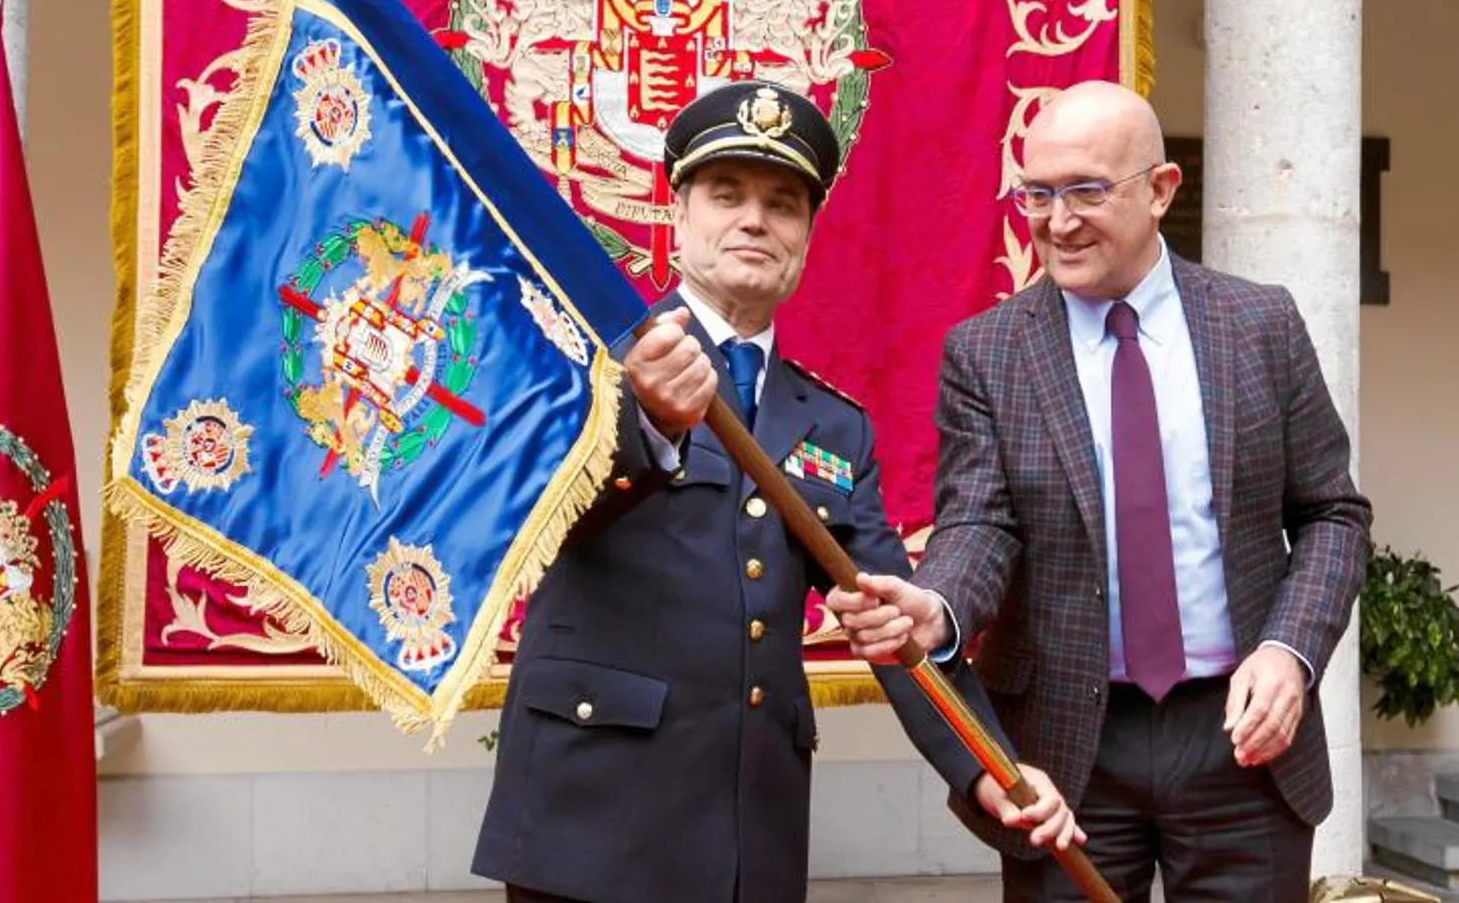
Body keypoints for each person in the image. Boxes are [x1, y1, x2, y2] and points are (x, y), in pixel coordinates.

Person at [472, 81, 1080, 903]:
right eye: (727, 195)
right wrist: (647, 419)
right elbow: (527, 513)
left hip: (746, 834)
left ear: (805, 236)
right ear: (679, 216)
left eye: (783, 203)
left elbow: (885, 619)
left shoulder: (832, 424)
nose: (755, 219)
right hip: (590, 820)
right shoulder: (584, 354)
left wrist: (989, 768)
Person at [827, 80, 1372, 903]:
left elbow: (1333, 512)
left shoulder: (1260, 325)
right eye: (1036, 194)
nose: (1057, 219)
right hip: (1066, 751)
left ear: (1160, 190)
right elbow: (981, 522)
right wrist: (938, 609)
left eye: (1086, 190)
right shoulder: (990, 352)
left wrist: (1289, 651)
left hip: (1242, 744)